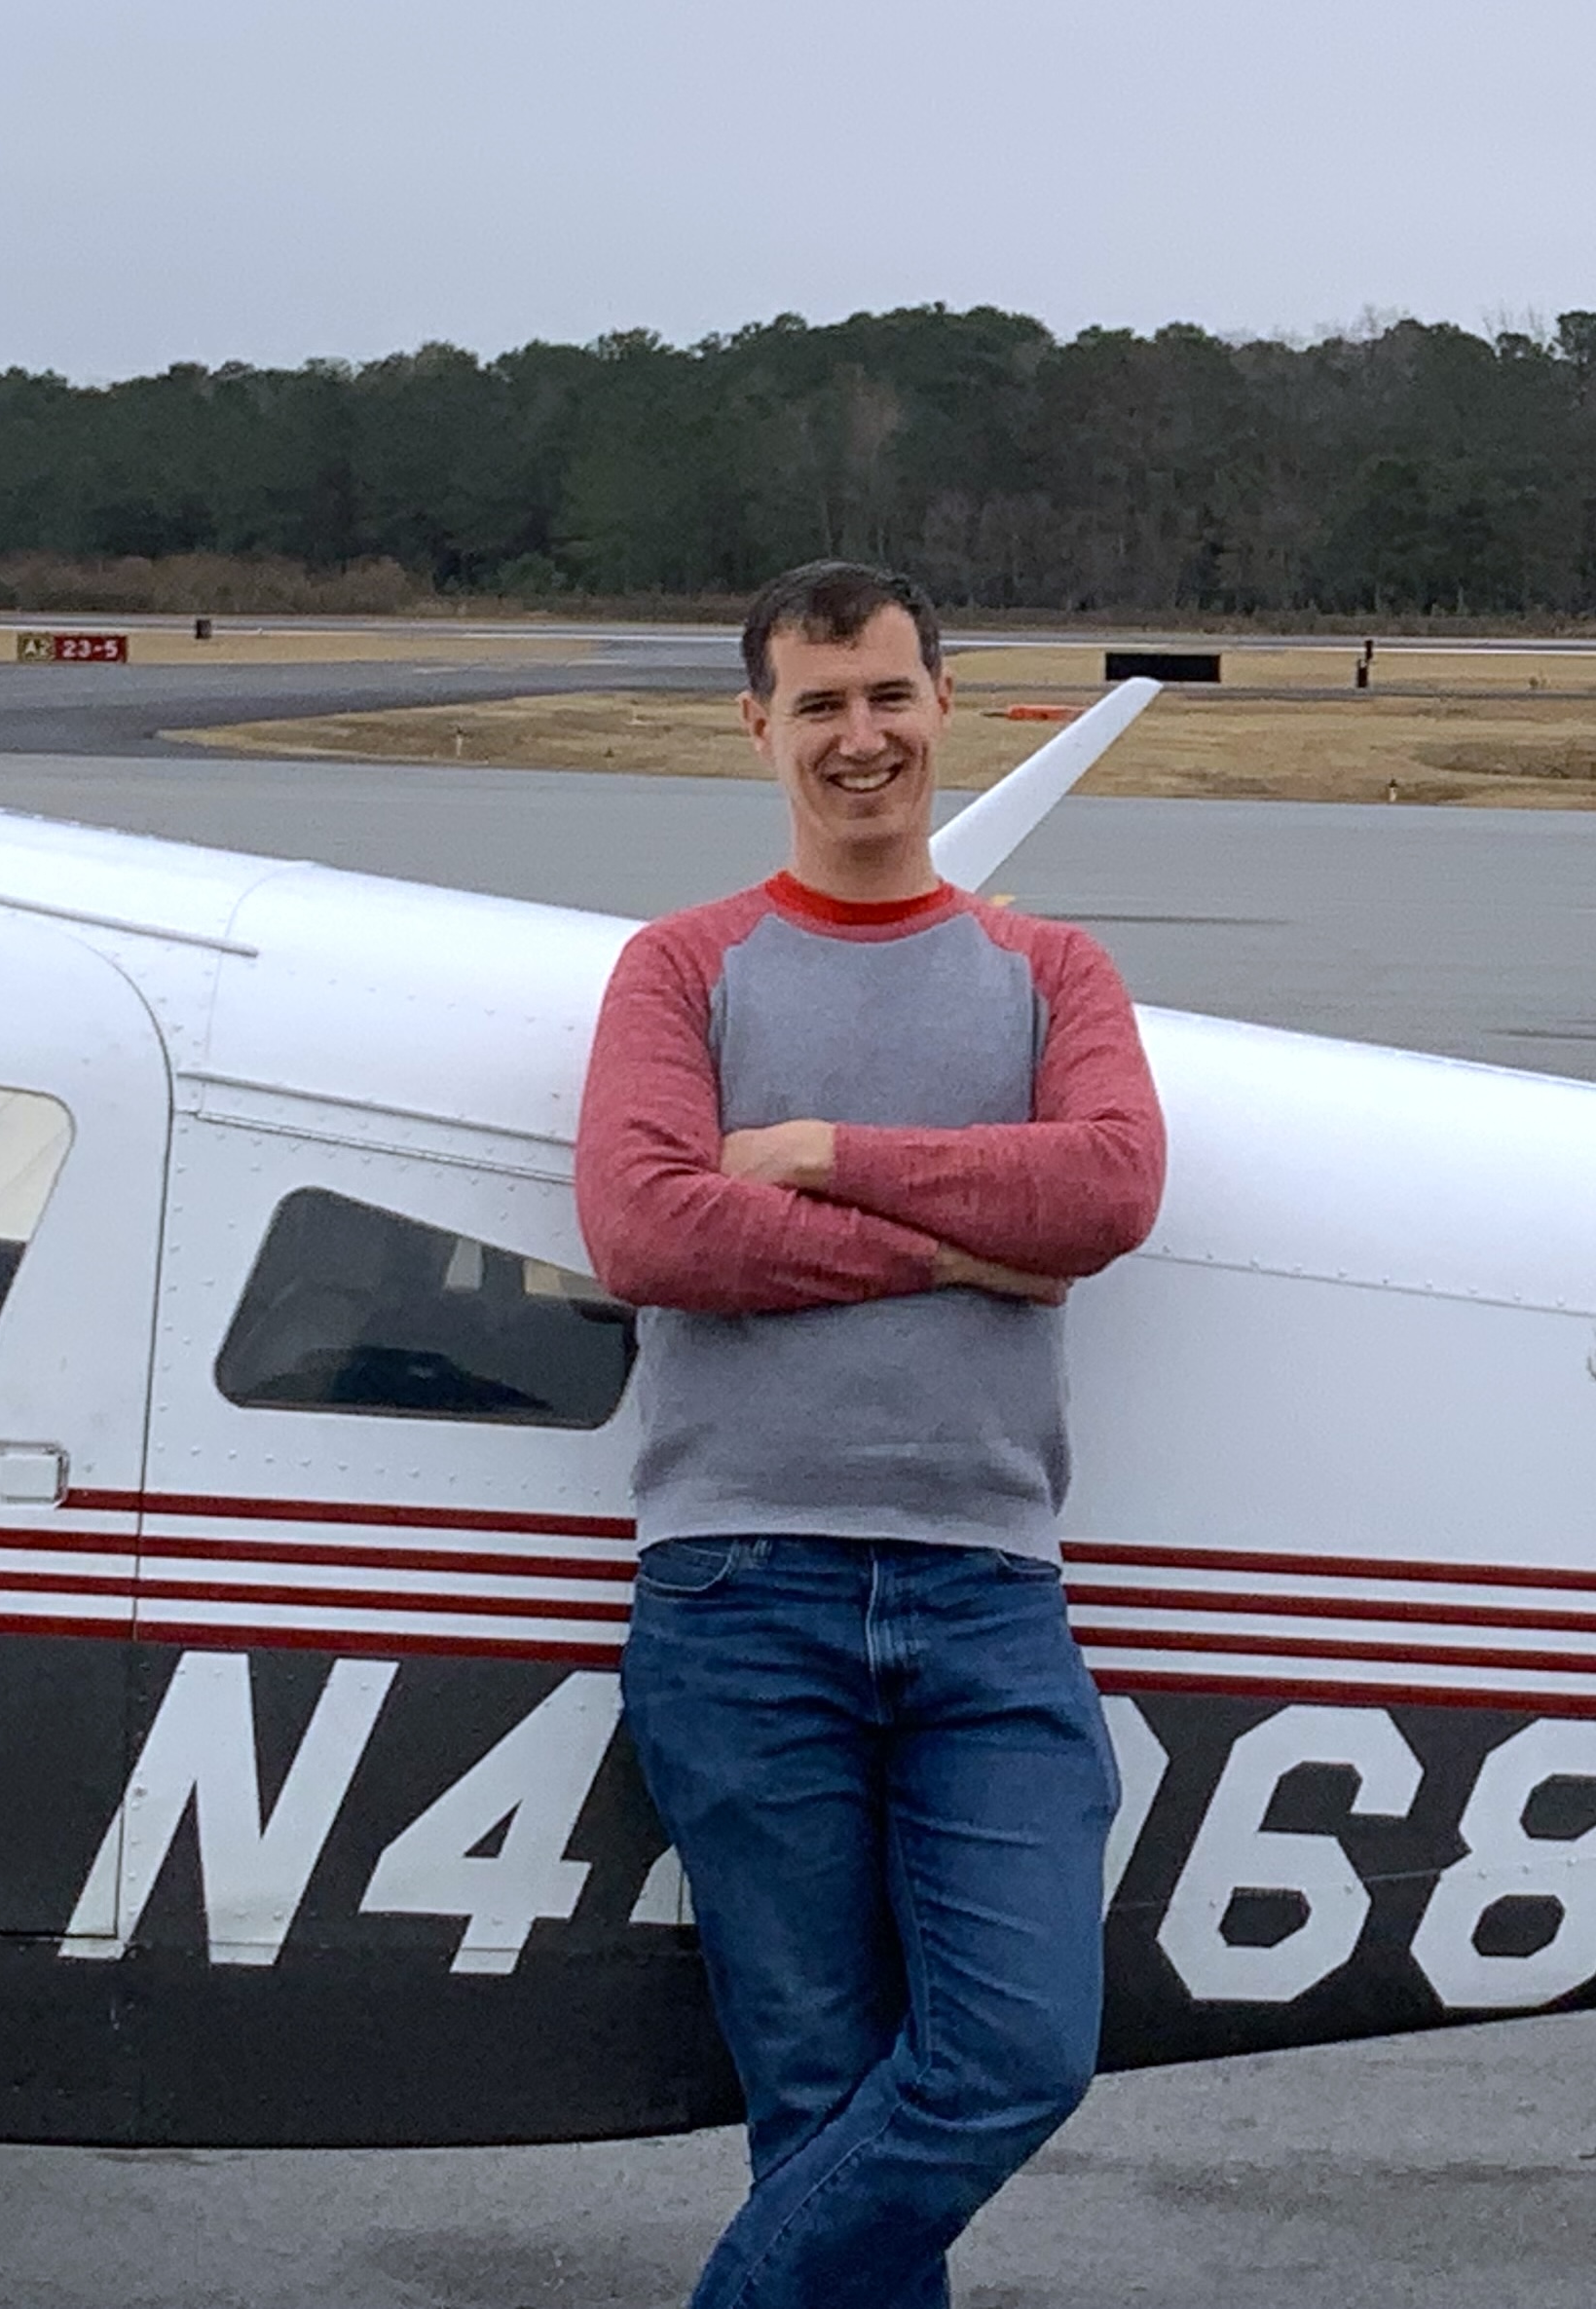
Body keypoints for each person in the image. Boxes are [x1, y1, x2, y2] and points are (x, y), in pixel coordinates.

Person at [574, 560, 1166, 2309]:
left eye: (889, 696)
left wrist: (828, 1153)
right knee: (818, 2099)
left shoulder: (1047, 969)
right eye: (819, 705)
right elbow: (650, 1231)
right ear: (757, 726)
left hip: (987, 1594)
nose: (860, 738)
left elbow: (1107, 1190)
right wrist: (964, 1254)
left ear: (942, 705)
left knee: (1014, 2056)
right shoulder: (680, 968)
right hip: (738, 1595)